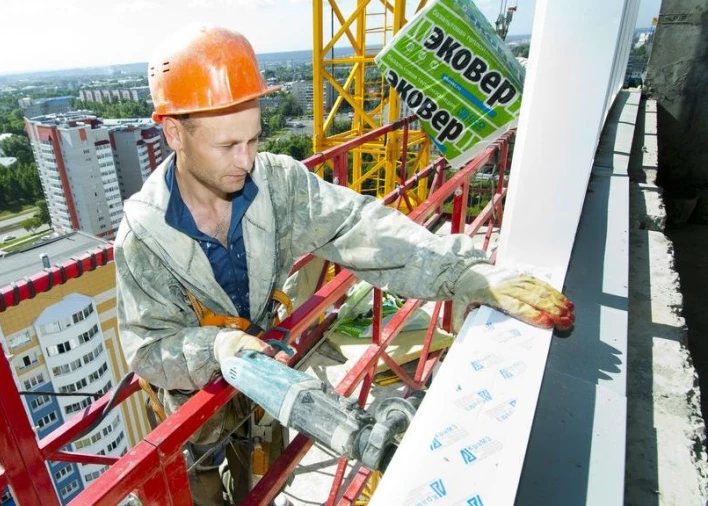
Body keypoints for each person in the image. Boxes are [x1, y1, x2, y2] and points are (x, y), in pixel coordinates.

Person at [115, 24, 574, 506]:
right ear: (173, 132)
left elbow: (359, 227)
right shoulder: (144, 236)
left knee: (263, 484)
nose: (246, 160)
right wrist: (219, 347)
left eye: (252, 140)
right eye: (227, 146)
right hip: (196, 408)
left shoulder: (276, 185)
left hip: (267, 377)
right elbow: (149, 347)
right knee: (203, 496)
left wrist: (464, 273)